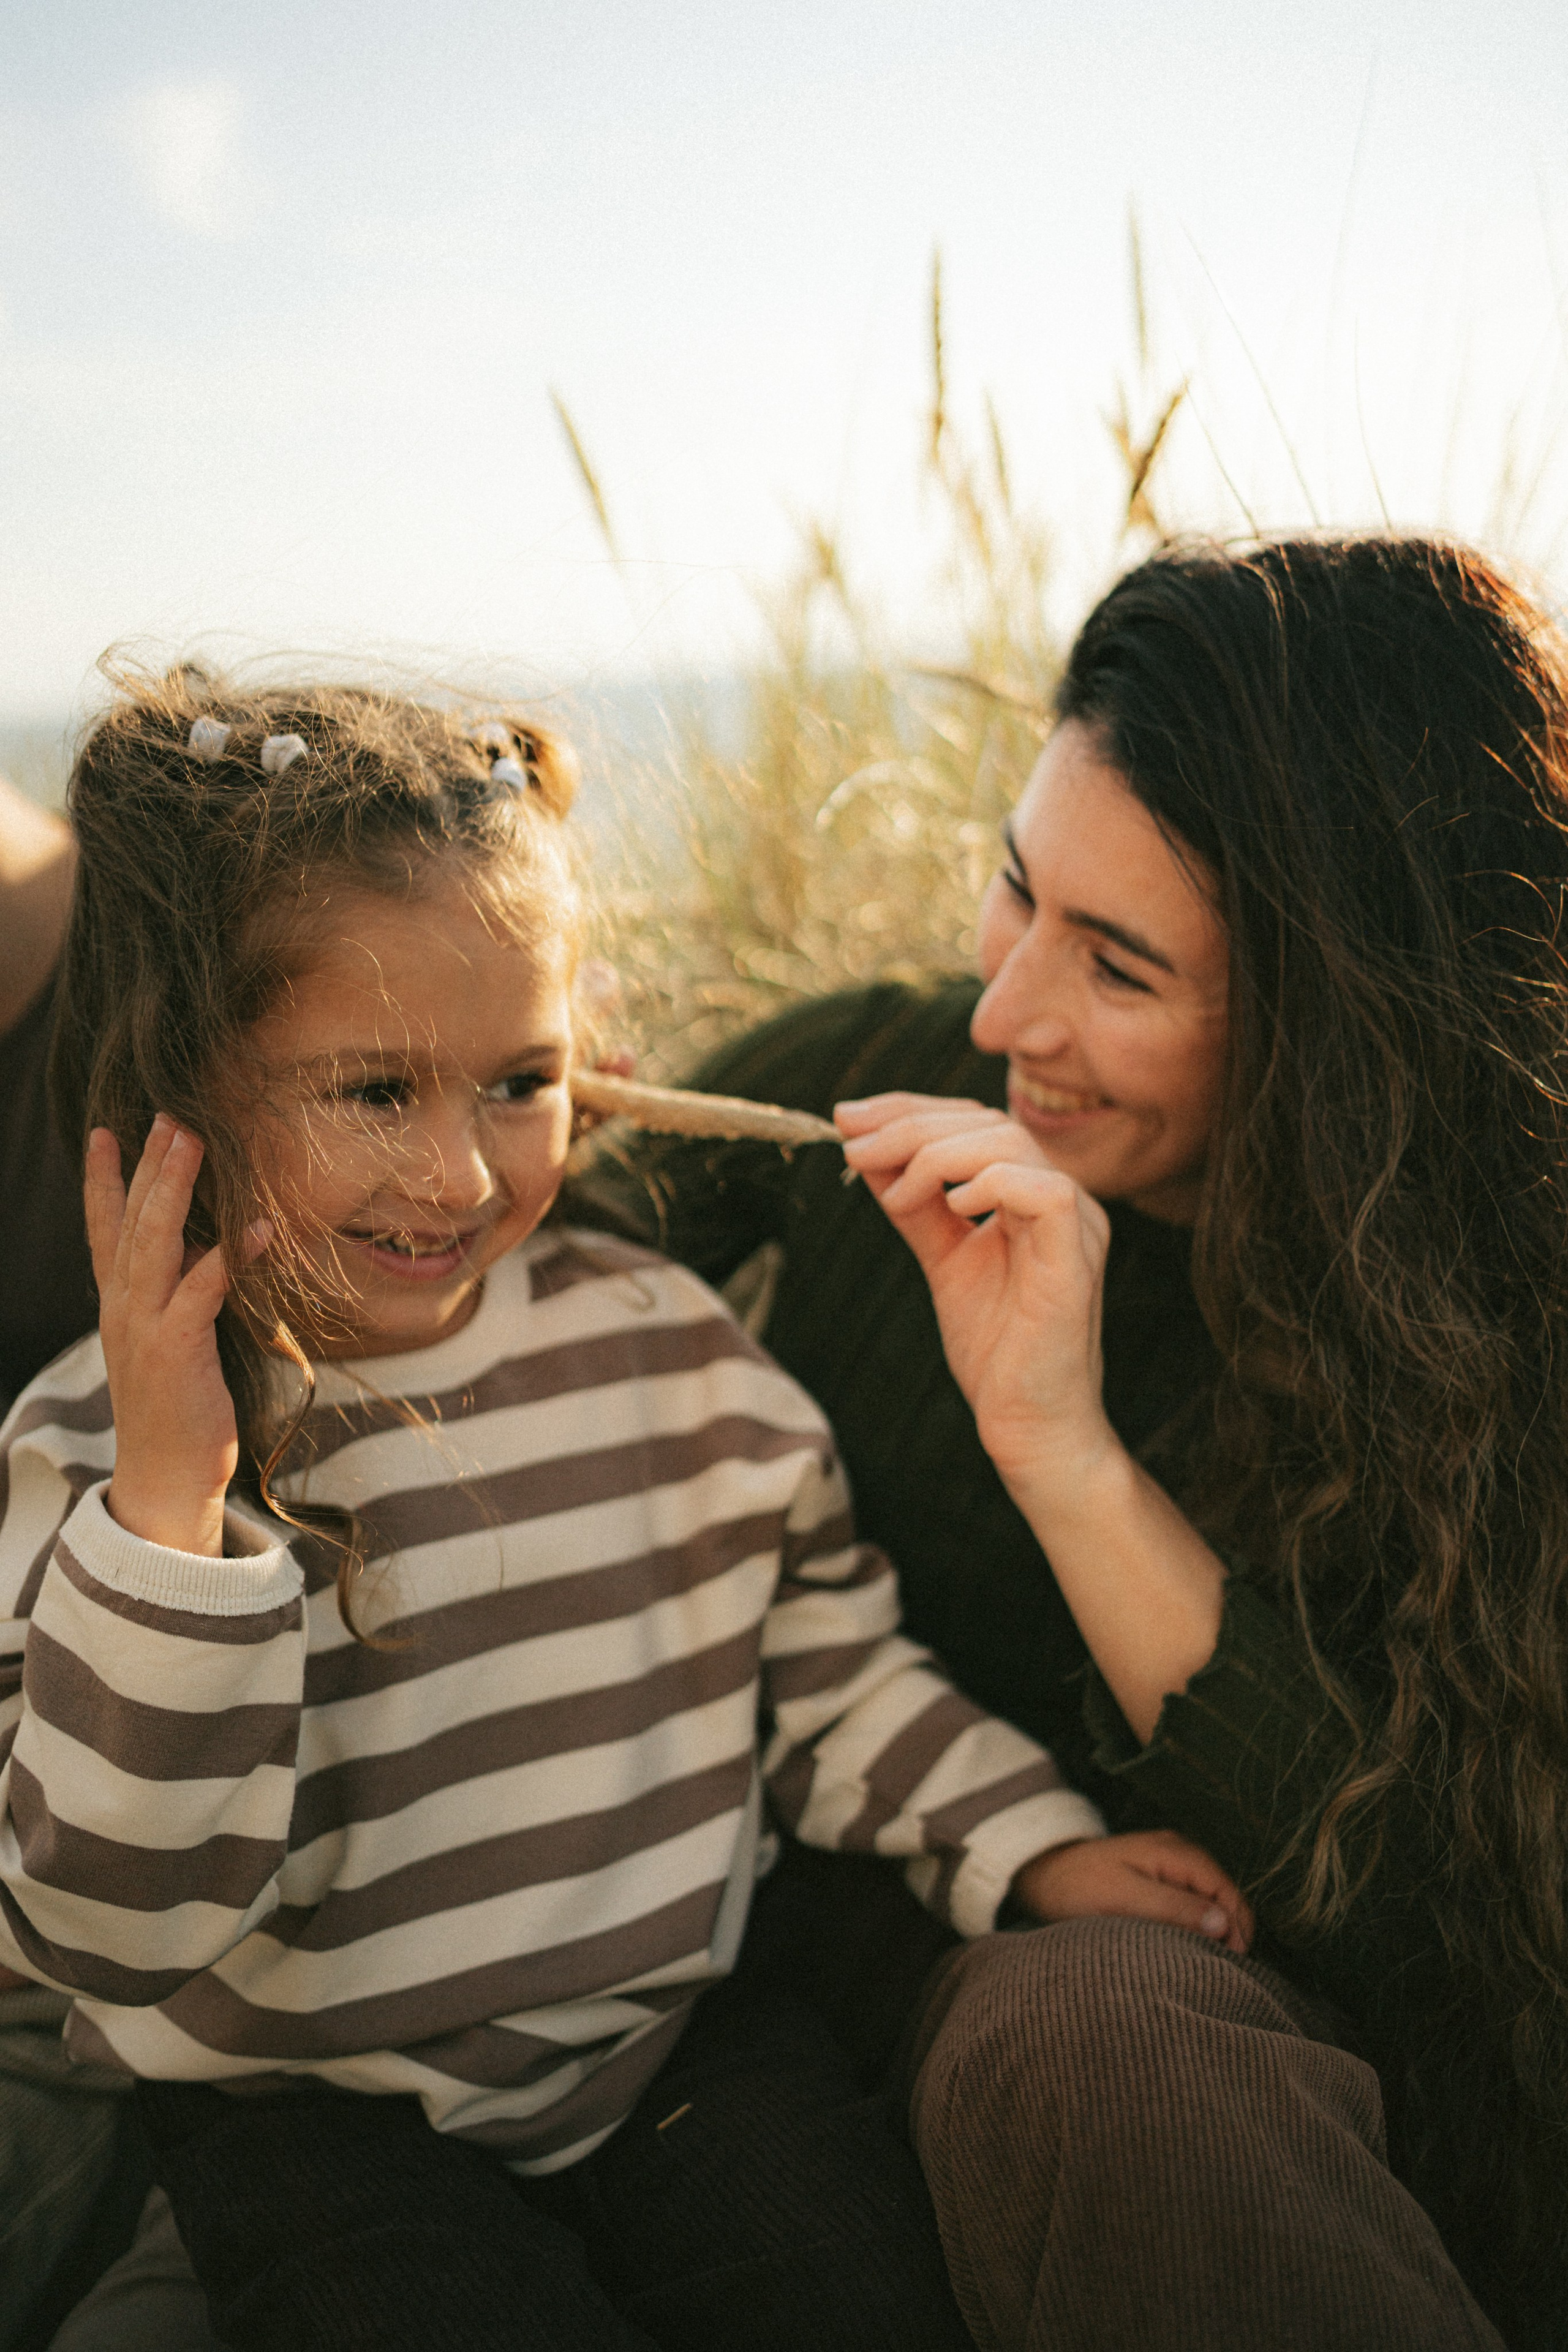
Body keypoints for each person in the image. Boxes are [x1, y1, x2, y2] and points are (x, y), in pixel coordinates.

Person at [0, 671, 1250, 2352]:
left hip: (677, 2039)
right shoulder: (97, 1446)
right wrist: (173, 1504)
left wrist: (1032, 1847)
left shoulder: (672, 1355)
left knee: (862, 2303)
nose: (458, 1175)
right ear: (185, 1082)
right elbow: (103, 1927)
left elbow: (825, 1679)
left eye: (517, 1080)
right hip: (307, 2110)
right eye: (375, 1092)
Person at [576, 537, 1566, 2350]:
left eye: (1117, 966)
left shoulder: (1499, 1346)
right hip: (791, 2047)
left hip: (1241, 2107)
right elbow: (487, 1250)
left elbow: (1439, 1950)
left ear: (1348, 1022)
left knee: (1102, 2035)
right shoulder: (879, 1090)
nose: (1002, 1018)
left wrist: (1065, 1452)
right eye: (1015, 893)